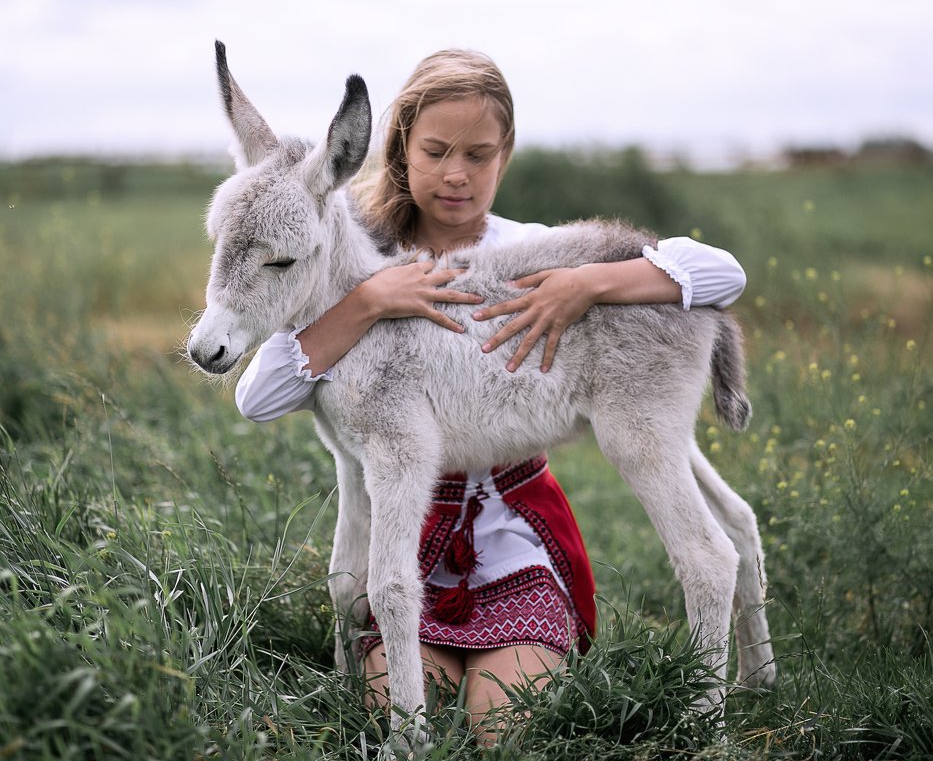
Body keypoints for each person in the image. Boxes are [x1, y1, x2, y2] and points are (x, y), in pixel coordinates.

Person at [234, 49, 746, 738]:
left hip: (513, 540)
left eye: (479, 155)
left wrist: (588, 282)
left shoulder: (531, 247)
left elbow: (723, 275)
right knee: (397, 712)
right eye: (436, 152)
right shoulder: (347, 254)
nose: (457, 174)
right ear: (400, 149)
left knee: (500, 725)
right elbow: (259, 396)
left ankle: (704, 716)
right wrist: (368, 302)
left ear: (505, 155)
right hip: (409, 548)